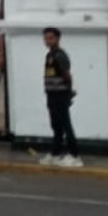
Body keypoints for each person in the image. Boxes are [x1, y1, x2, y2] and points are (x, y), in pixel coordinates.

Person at [40, 26, 81, 168]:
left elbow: (67, 75)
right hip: (51, 94)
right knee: (56, 125)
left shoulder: (59, 56)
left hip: (60, 95)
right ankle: (56, 153)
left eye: (50, 38)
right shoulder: (49, 56)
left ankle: (75, 155)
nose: (47, 41)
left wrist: (68, 93)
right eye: (46, 38)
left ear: (57, 39)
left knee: (65, 125)